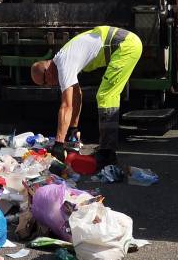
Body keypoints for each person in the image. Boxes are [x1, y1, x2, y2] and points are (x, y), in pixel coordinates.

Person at [29, 26, 142, 166]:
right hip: (124, 44)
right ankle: (106, 150)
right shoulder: (61, 60)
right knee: (105, 94)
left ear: (48, 71)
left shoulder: (63, 64)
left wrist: (59, 143)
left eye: (45, 82)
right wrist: (73, 129)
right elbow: (77, 95)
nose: (48, 86)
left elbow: (66, 106)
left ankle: (108, 153)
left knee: (106, 95)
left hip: (125, 46)